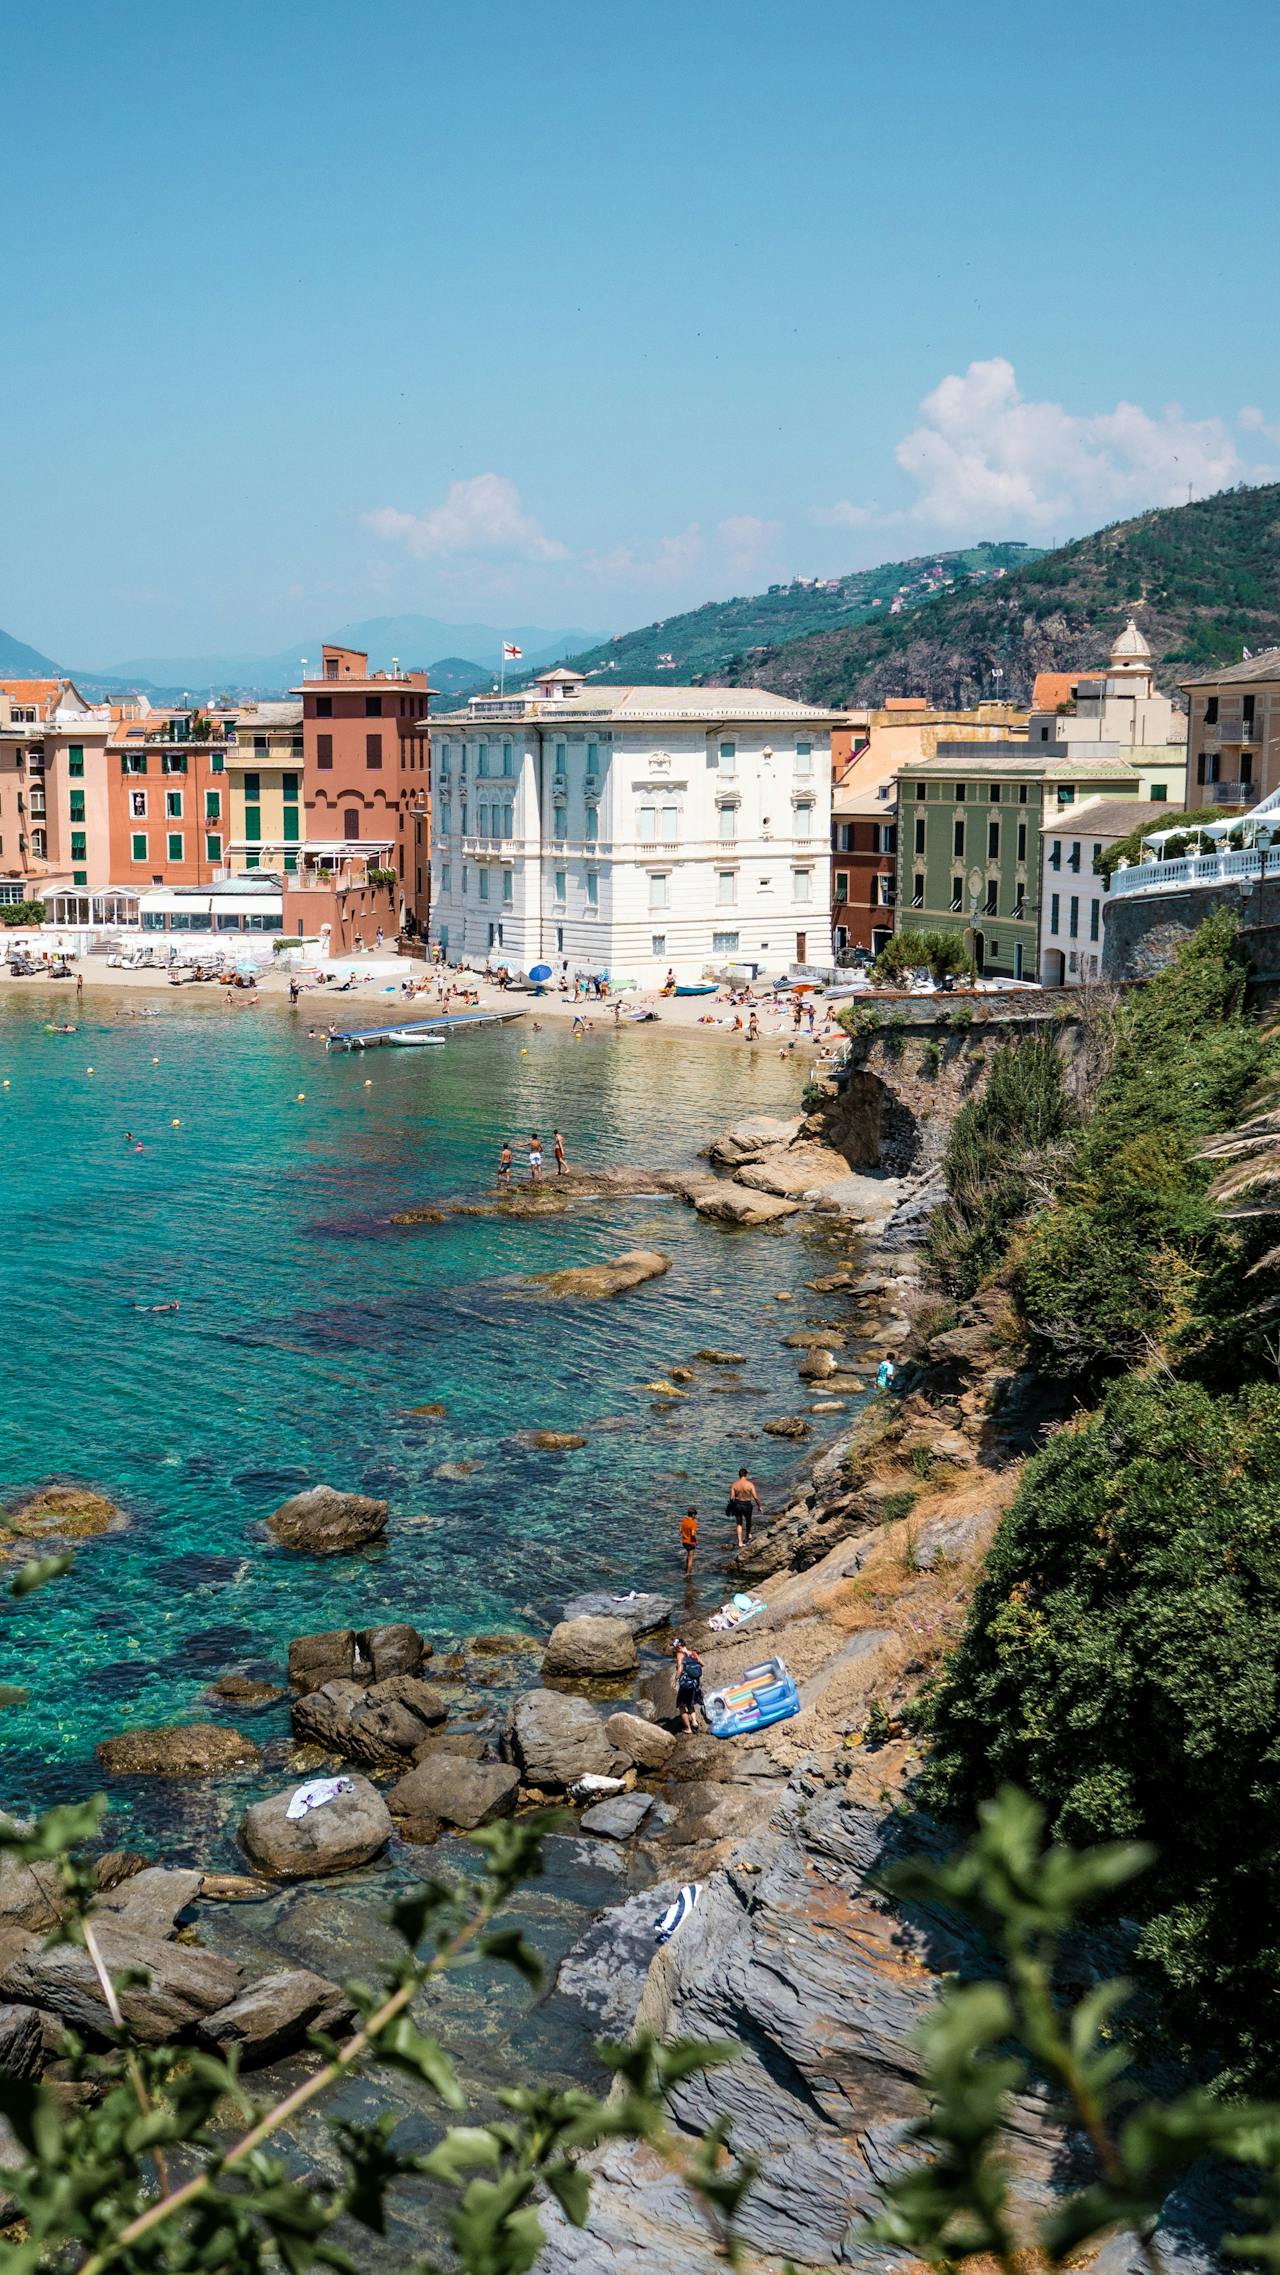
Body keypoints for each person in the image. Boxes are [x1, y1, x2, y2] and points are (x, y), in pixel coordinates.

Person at [674, 1637, 705, 1734]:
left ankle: (688, 1728)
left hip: (685, 1684)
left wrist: (675, 1680)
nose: (674, 1649)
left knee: (681, 1706)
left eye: (675, 1647)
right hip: (695, 1683)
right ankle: (694, 1722)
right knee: (690, 1703)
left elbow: (679, 1668)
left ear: (679, 1646)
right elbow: (702, 1664)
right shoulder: (693, 1653)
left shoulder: (680, 1654)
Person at [727, 1464, 762, 1550]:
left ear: (739, 1475)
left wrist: (731, 1507)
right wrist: (759, 1506)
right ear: (746, 1475)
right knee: (748, 1521)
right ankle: (748, 1535)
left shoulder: (734, 1485)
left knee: (739, 1523)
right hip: (747, 1504)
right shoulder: (750, 1484)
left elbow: (731, 1498)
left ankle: (740, 1542)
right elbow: (755, 1497)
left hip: (737, 1504)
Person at [680, 1506, 698, 1578]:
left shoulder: (683, 1521)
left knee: (688, 1555)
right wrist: (695, 1541)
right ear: (693, 1514)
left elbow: (680, 1530)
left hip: (684, 1542)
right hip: (690, 1542)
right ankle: (688, 1573)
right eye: (695, 1515)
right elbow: (693, 1534)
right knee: (691, 1558)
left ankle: (686, 1569)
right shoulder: (693, 1523)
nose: (695, 1516)